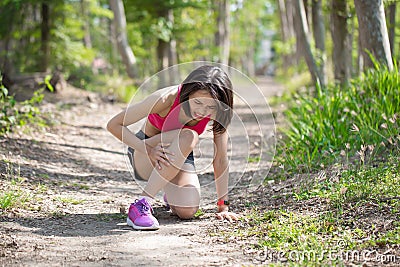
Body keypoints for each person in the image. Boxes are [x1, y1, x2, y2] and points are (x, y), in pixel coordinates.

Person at [107, 65, 239, 230]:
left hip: (175, 157)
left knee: (188, 210)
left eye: (210, 107)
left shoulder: (218, 111)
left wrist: (223, 205)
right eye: (197, 102)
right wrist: (146, 148)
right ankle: (141, 204)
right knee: (190, 135)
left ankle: (168, 188)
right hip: (146, 152)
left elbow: (220, 158)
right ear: (187, 93)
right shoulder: (165, 99)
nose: (202, 111)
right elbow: (114, 124)